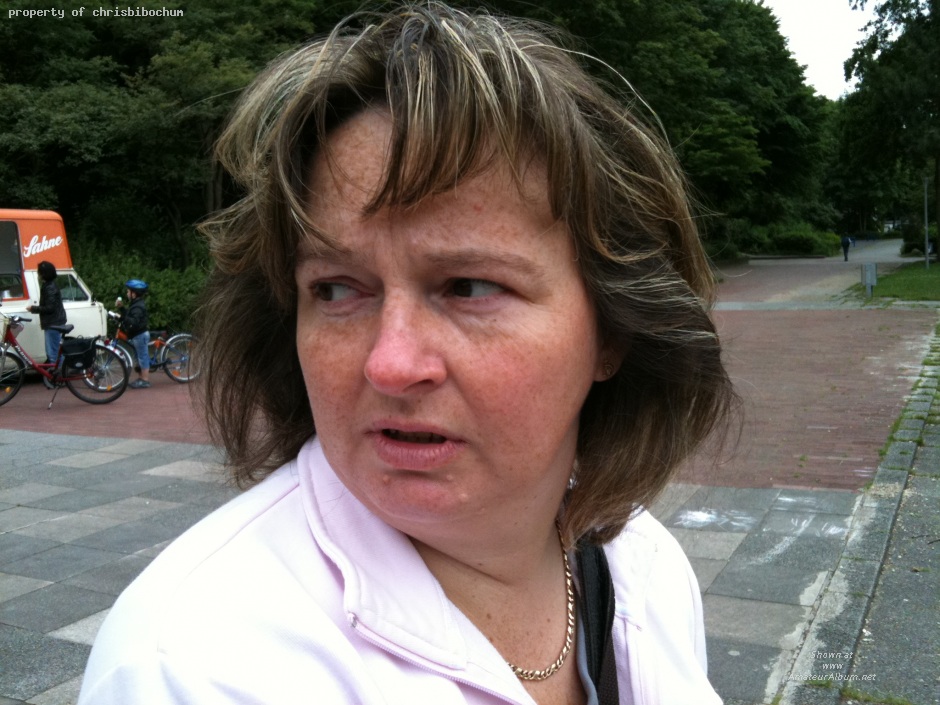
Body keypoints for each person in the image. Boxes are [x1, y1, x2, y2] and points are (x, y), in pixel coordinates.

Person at [79, 4, 737, 704]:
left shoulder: (647, 568)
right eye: (336, 289)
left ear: (612, 331)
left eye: (469, 286)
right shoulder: (198, 667)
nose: (390, 364)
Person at [28, 260, 67, 365]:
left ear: (44, 274)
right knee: (54, 349)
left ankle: (58, 372)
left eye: (39, 272)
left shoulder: (49, 287)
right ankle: (58, 370)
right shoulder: (48, 285)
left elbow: (50, 308)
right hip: (54, 321)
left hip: (53, 323)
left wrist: (33, 308)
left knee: (53, 352)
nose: (38, 274)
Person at [115, 278, 151, 388]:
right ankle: (141, 378)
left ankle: (145, 380)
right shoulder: (135, 304)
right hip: (136, 335)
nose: (127, 293)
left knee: (142, 357)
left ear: (134, 294)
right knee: (139, 357)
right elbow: (129, 316)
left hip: (140, 335)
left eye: (128, 291)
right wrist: (122, 309)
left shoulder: (138, 306)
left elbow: (133, 322)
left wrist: (122, 317)